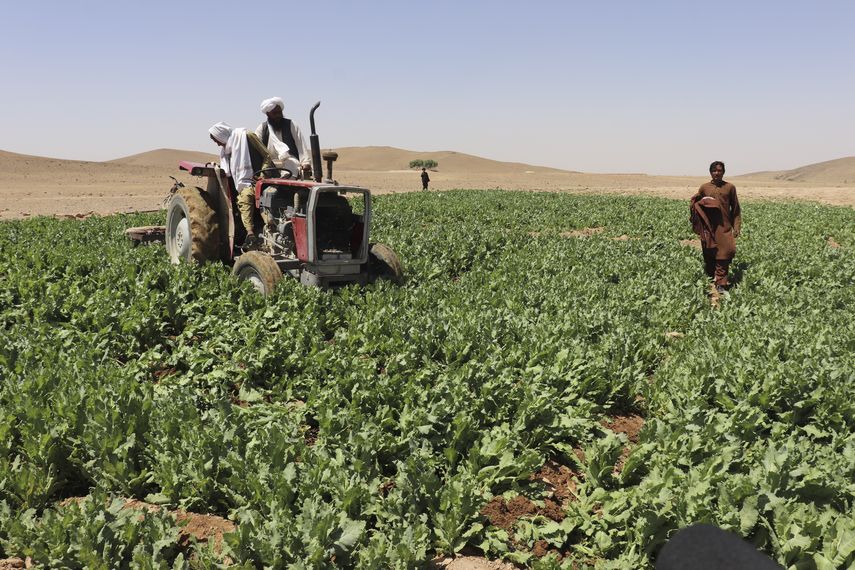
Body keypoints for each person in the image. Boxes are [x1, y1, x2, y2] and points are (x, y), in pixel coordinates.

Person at [208, 122, 274, 245]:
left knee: (246, 196)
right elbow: (227, 170)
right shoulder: (226, 151)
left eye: (217, 140)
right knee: (244, 194)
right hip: (243, 182)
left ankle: (251, 233)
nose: (217, 144)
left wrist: (262, 175)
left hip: (259, 178)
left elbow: (267, 156)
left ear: (221, 135)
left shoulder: (247, 136)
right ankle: (248, 233)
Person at [690, 161, 741, 293]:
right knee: (709, 252)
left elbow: (735, 209)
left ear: (723, 172)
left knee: (725, 253)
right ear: (710, 172)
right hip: (709, 227)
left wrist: (736, 226)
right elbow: (696, 205)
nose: (717, 173)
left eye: (719, 170)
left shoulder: (730, 187)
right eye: (714, 171)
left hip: (724, 227)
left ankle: (721, 283)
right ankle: (710, 276)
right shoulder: (704, 188)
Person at [255, 97, 312, 179]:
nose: (278, 115)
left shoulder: (291, 125)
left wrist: (305, 162)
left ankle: (285, 185)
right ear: (268, 114)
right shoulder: (261, 129)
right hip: (270, 164)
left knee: (291, 163)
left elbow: (301, 145)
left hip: (289, 161)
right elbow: (256, 151)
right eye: (275, 113)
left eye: (279, 112)